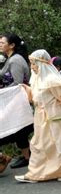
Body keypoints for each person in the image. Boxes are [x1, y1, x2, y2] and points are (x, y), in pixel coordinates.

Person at [15, 49, 61, 183]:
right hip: (41, 118)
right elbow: (35, 99)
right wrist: (27, 90)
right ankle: (36, 173)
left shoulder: (52, 80)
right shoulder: (36, 80)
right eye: (31, 64)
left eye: (34, 64)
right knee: (40, 145)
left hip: (56, 116)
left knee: (60, 143)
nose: (32, 67)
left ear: (41, 63)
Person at [0, 33, 32, 169]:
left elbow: (18, 84)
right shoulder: (10, 59)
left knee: (19, 129)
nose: (0, 44)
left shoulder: (16, 60)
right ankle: (27, 156)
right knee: (19, 131)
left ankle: (27, 157)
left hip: (18, 101)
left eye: (2, 42)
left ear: (12, 45)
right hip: (13, 101)